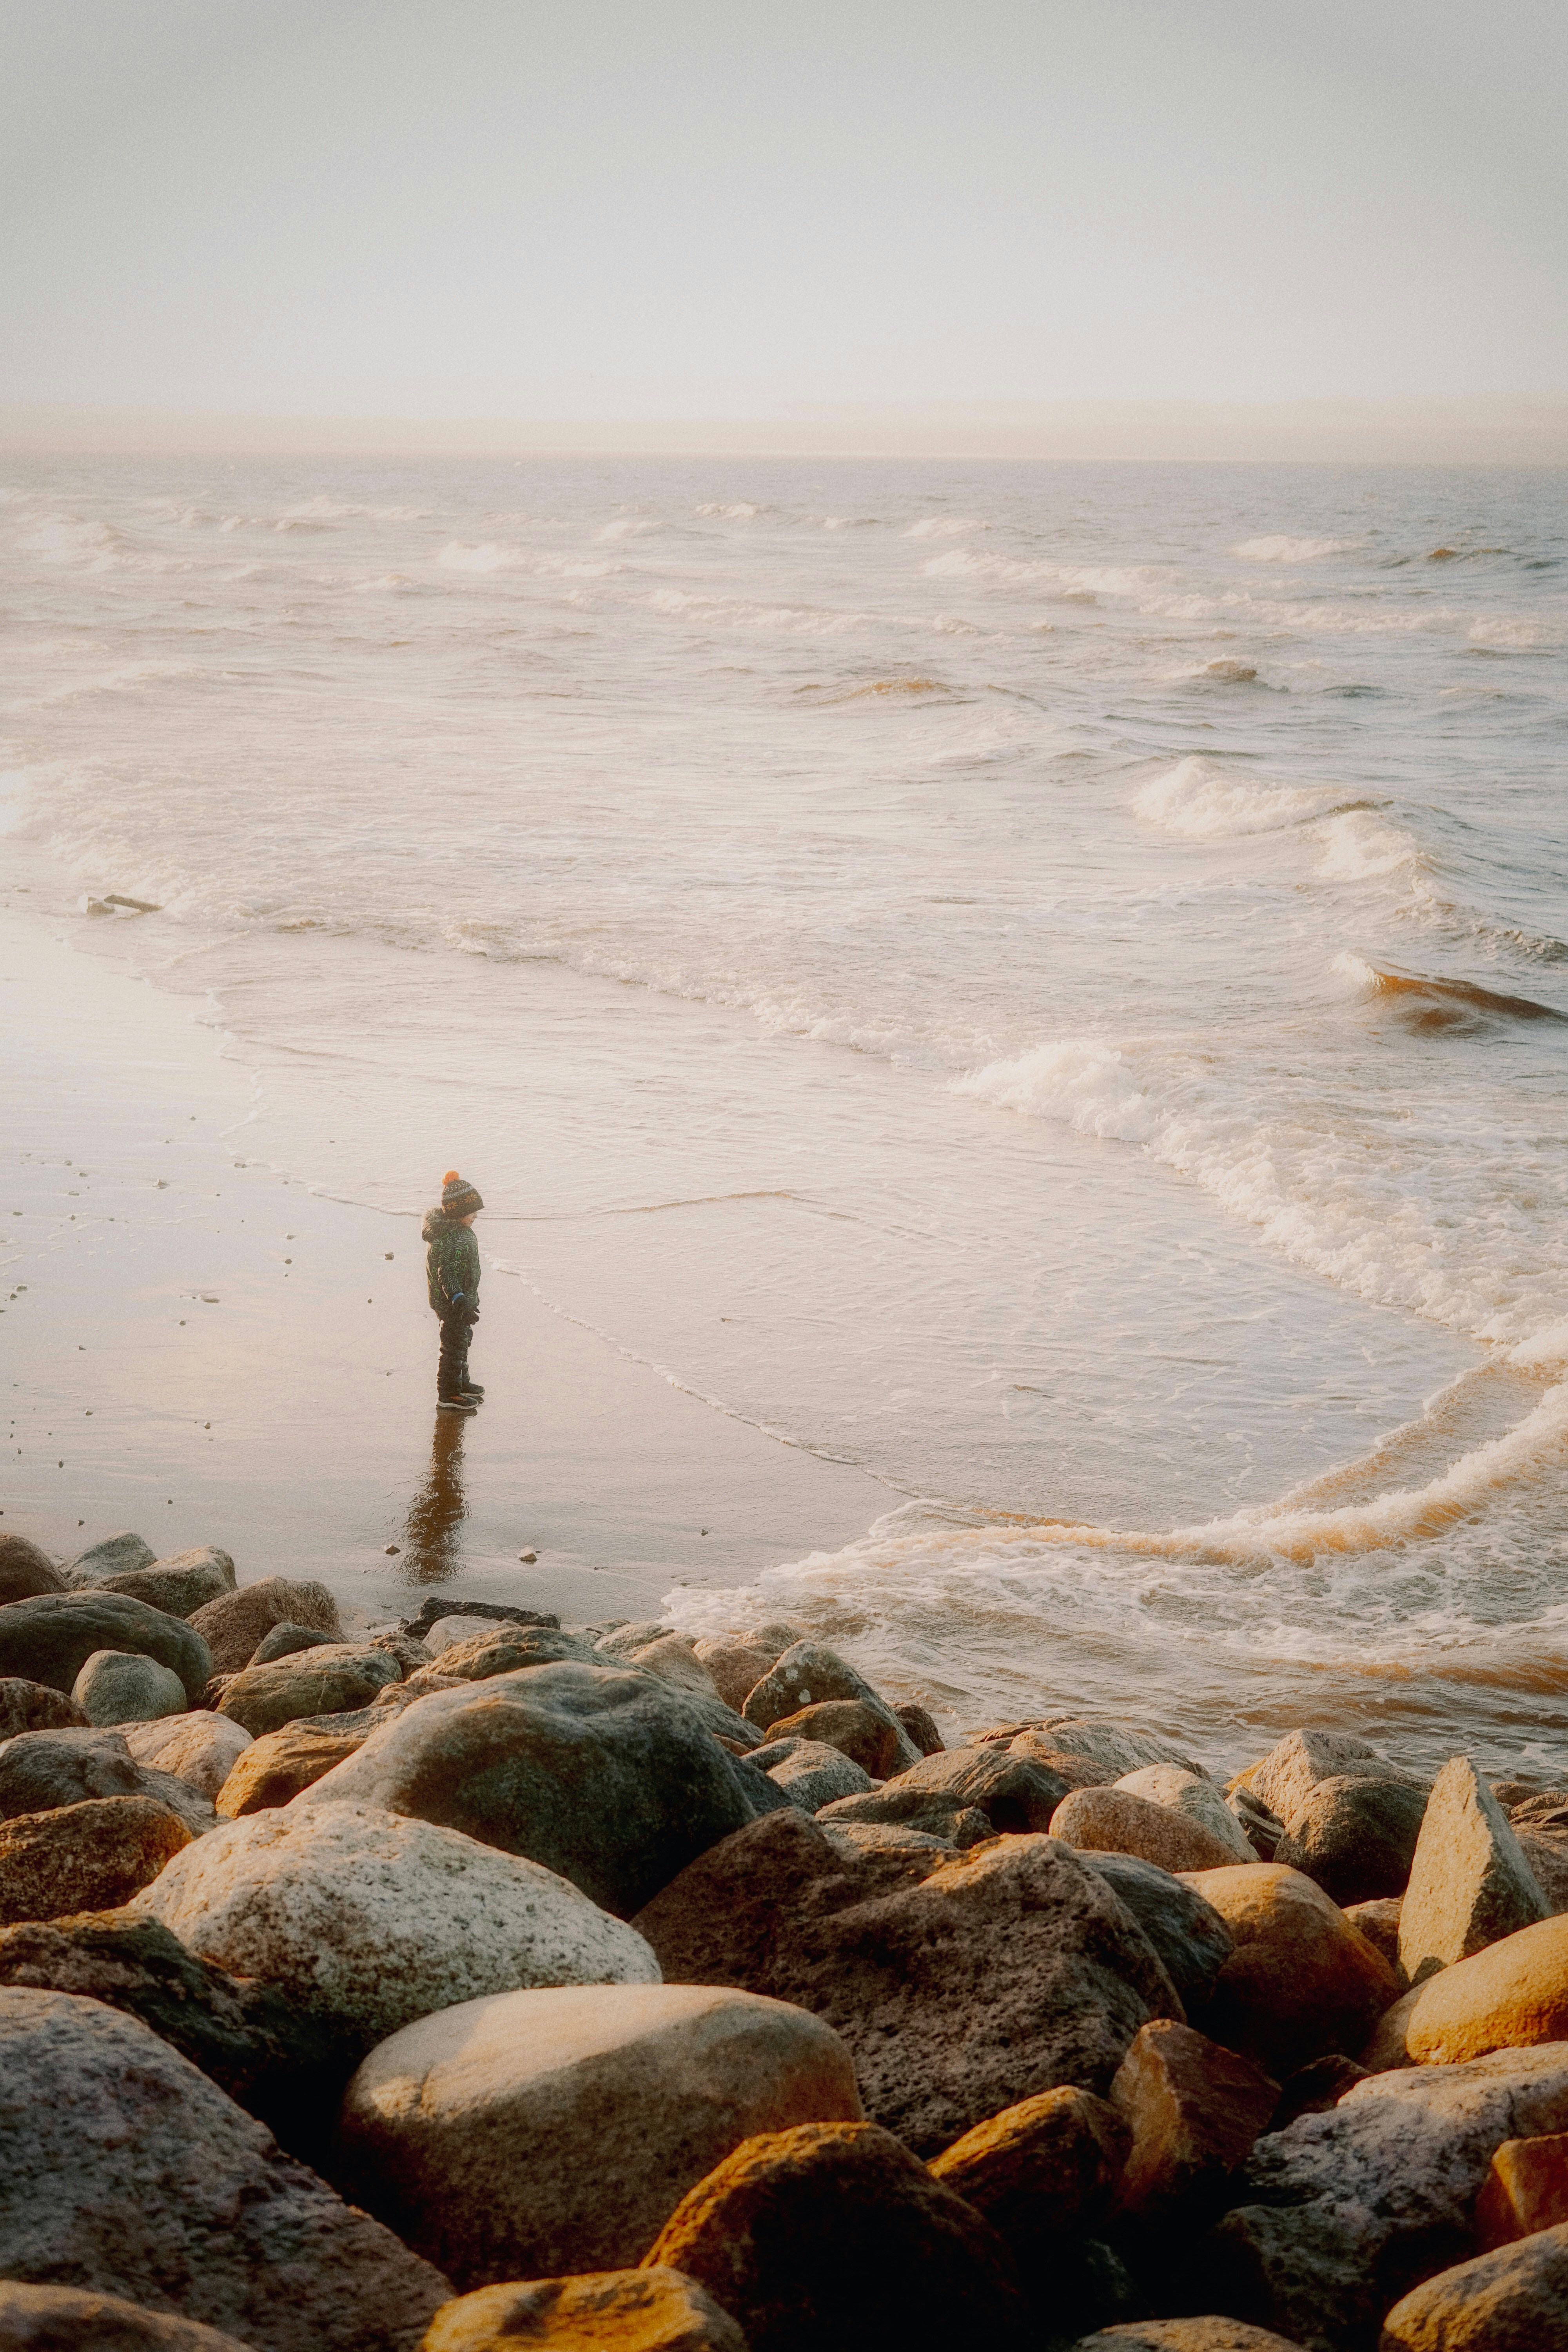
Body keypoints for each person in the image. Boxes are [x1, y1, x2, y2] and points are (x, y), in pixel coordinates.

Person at [422, 1171, 485, 1413]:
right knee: (454, 1345)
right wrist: (460, 1302)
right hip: (452, 1301)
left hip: (455, 1299)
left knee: (462, 1340)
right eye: (472, 1212)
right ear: (459, 1213)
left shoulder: (456, 1233)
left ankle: (461, 1383)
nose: (476, 1217)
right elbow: (446, 1273)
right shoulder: (455, 1238)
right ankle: (448, 1393)